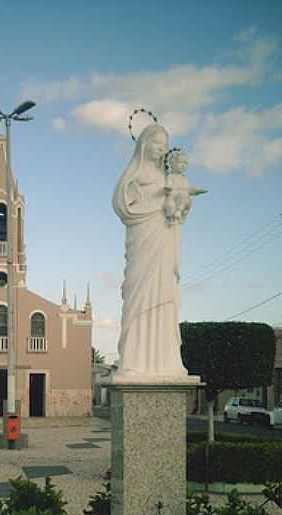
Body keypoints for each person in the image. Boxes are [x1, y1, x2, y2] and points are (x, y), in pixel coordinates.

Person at [112, 123, 189, 379]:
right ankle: (134, 359)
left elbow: (179, 207)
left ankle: (166, 361)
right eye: (158, 144)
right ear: (145, 144)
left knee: (164, 294)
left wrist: (180, 203)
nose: (162, 149)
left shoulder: (169, 177)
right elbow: (123, 205)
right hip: (142, 240)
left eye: (165, 145)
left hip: (165, 238)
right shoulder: (134, 175)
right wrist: (158, 201)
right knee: (138, 295)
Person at [164, 149, 207, 225]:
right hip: (172, 197)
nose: (183, 165)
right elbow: (168, 186)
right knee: (170, 205)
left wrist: (196, 191)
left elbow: (188, 189)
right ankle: (173, 217)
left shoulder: (184, 178)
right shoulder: (170, 176)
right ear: (172, 163)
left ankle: (180, 213)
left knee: (186, 198)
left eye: (185, 163)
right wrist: (168, 188)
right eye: (180, 162)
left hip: (182, 199)